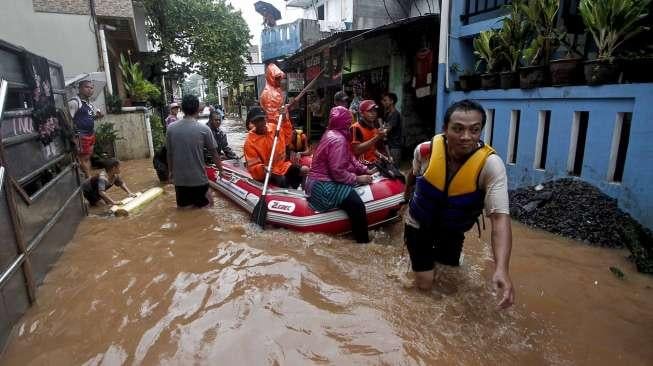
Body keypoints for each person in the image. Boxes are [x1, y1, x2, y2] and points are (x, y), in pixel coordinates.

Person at [404, 99, 514, 309]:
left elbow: (500, 218)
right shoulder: (425, 151)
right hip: (418, 224)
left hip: (453, 230)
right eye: (458, 129)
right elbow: (413, 175)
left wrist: (502, 268)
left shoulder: (490, 166)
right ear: (444, 129)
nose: (466, 137)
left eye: (474, 130)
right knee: (426, 283)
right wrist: (404, 198)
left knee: (448, 280)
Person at [306, 106, 375, 243]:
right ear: (345, 122)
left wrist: (364, 169)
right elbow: (337, 171)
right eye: (349, 121)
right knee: (356, 204)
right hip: (322, 186)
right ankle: (363, 243)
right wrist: (358, 178)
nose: (351, 124)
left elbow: (350, 158)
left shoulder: (331, 134)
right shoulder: (338, 140)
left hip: (314, 182)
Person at [166, 94, 224, 208]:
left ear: (181, 109)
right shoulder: (204, 129)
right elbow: (214, 153)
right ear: (198, 108)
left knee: (184, 212)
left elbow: (169, 153)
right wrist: (221, 170)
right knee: (208, 209)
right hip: (199, 180)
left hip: (180, 181)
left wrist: (170, 172)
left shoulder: (171, 129)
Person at [244, 106, 306, 189]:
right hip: (268, 171)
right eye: (257, 121)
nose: (260, 123)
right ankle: (287, 193)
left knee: (304, 170)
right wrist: (262, 169)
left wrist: (285, 120)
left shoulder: (274, 129)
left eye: (262, 119)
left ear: (266, 119)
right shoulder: (249, 142)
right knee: (282, 180)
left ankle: (304, 192)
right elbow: (253, 166)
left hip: (281, 166)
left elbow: (288, 138)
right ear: (253, 123)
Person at [68, 80, 102, 178]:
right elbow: (69, 120)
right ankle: (89, 180)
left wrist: (97, 117)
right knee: (83, 159)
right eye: (87, 87)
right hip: (81, 136)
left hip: (90, 134)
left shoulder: (88, 104)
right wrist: (74, 137)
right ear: (80, 88)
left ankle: (87, 178)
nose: (90, 90)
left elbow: (87, 117)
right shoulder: (74, 102)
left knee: (87, 158)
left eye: (92, 88)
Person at [350, 100, 387, 165]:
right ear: (361, 113)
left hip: (374, 162)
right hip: (362, 165)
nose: (373, 113)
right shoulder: (355, 128)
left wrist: (383, 157)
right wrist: (377, 137)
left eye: (375, 111)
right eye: (369, 111)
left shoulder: (374, 128)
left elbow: (372, 149)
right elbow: (356, 150)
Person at [381, 92, 402, 165]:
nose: (383, 102)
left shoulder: (395, 114)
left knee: (394, 169)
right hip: (388, 145)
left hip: (394, 146)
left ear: (392, 101)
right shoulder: (387, 113)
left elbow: (386, 130)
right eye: (383, 100)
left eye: (385, 100)